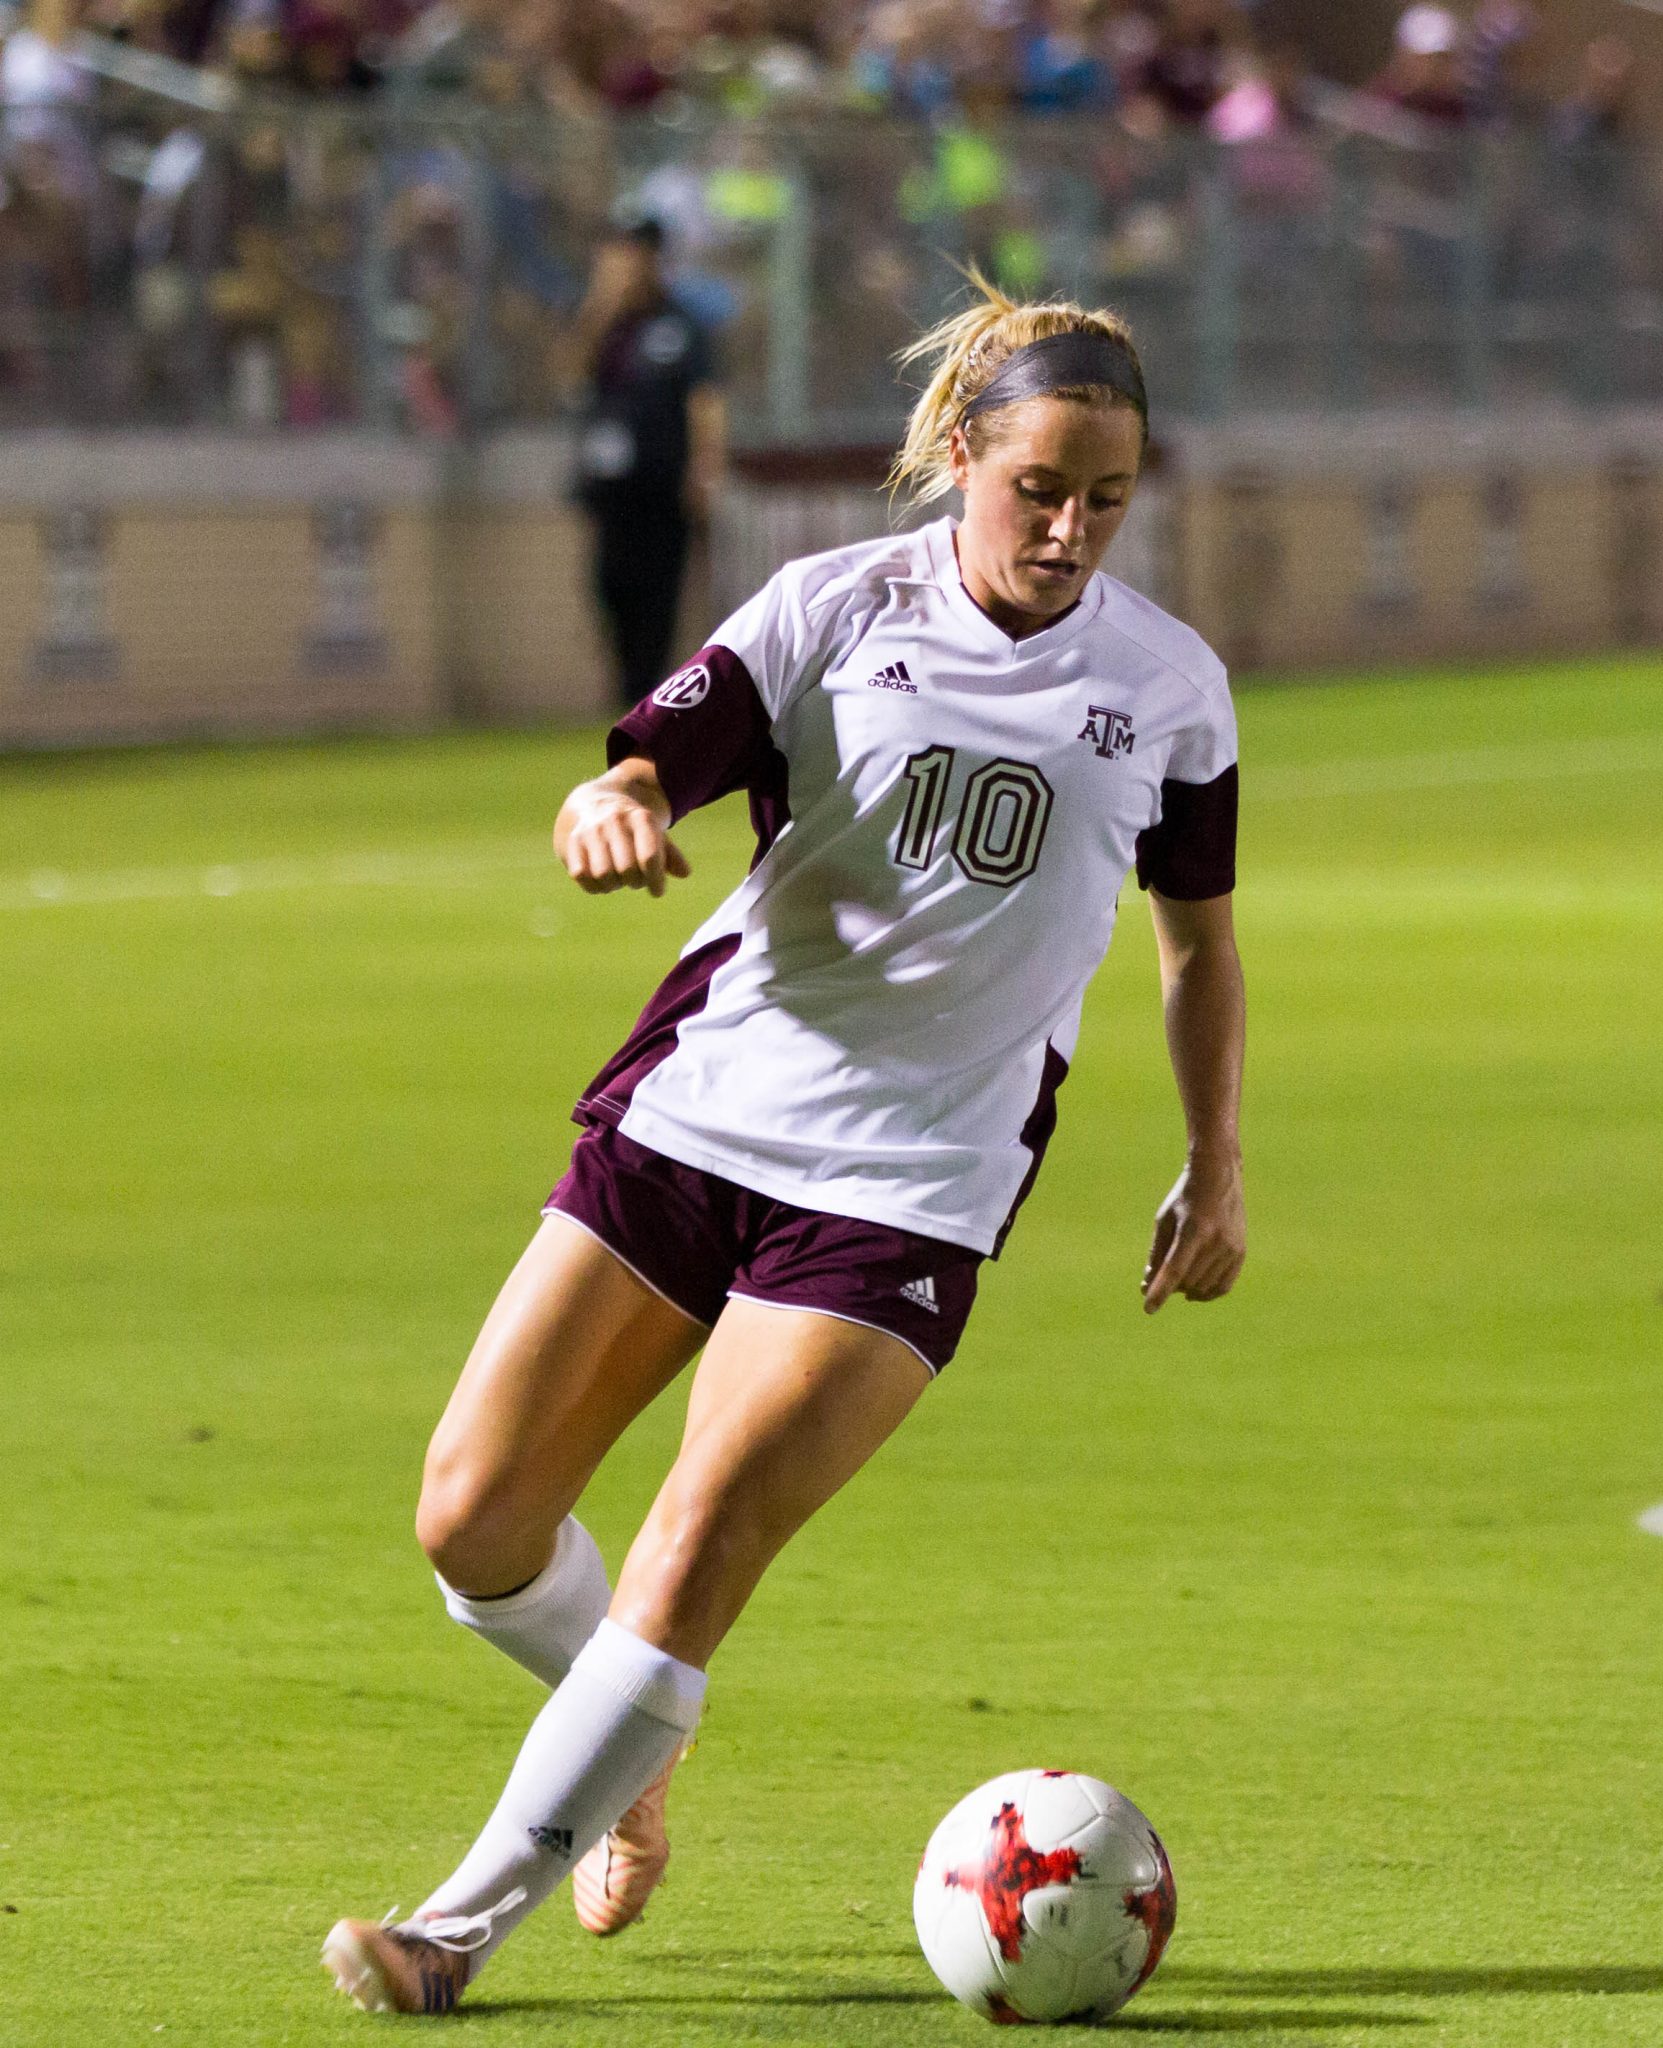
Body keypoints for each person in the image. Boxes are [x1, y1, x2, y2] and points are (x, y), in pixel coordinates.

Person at [321, 279, 1249, 2015]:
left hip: (912, 1179)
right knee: (473, 1514)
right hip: (702, 1108)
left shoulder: (1172, 691)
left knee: (695, 1531)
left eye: (1108, 498)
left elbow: (1198, 945)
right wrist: (608, 803)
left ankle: (455, 1924)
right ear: (963, 452)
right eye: (1039, 484)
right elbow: (648, 764)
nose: (1068, 528)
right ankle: (629, 1742)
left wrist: (1219, 1159)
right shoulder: (831, 608)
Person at [564, 212, 725, 709]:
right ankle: (626, 685)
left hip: (662, 482)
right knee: (608, 586)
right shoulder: (604, 323)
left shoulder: (679, 325)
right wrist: (599, 307)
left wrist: (704, 469)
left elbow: (704, 400)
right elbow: (572, 376)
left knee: (658, 595)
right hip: (610, 486)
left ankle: (641, 697)